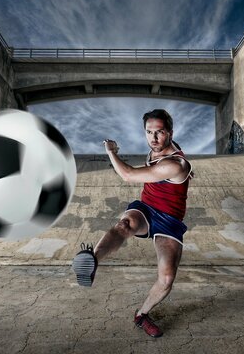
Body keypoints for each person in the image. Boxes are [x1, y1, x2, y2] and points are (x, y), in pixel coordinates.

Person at [72, 109, 193, 338]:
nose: (153, 138)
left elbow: (128, 175)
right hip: (146, 208)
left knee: (166, 279)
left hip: (170, 221)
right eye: (149, 132)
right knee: (124, 225)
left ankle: (141, 315)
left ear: (170, 133)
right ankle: (92, 260)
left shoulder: (175, 164)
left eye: (160, 132)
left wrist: (111, 152)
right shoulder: (158, 147)